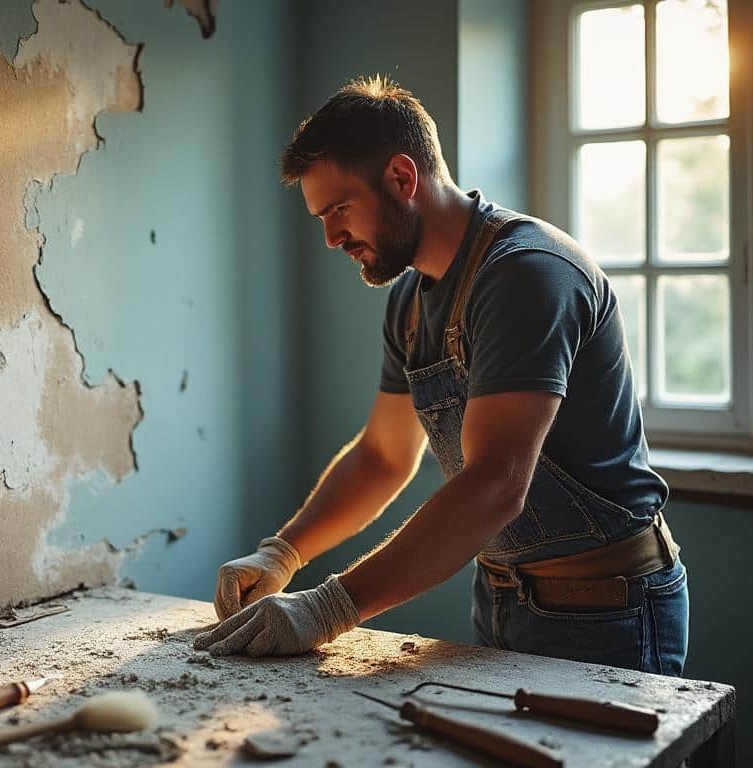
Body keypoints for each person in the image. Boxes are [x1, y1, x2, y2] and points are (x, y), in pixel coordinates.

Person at [192, 76, 689, 676]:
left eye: (340, 209)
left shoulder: (526, 273)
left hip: (609, 613)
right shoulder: (410, 301)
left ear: (403, 178)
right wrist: (283, 552)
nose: (330, 238)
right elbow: (382, 455)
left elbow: (497, 483)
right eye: (321, 217)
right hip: (501, 599)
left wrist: (327, 609)